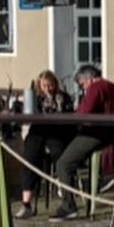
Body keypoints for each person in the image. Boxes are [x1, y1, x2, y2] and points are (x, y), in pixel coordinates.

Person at [50, 65, 114, 221]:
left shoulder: (96, 87)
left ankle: (68, 205)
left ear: (88, 78)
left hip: (97, 134)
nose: (83, 88)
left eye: (82, 84)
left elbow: (84, 112)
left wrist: (75, 112)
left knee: (63, 164)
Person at [13, 70, 75, 219]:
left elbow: (68, 115)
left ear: (55, 84)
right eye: (44, 85)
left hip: (57, 131)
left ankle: (66, 197)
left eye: (50, 85)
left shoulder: (63, 98)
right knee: (30, 159)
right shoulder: (35, 98)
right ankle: (26, 203)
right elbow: (26, 114)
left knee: (60, 157)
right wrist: (20, 105)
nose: (48, 88)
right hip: (38, 130)